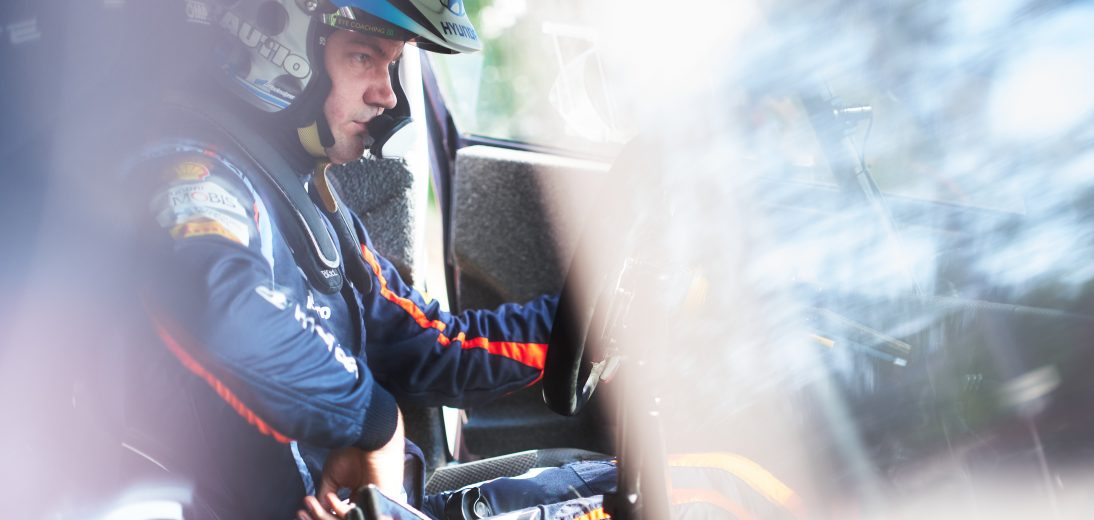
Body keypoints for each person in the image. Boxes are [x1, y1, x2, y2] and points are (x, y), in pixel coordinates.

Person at [112, 1, 612, 518]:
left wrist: (593, 327)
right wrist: (374, 422)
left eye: (391, 64)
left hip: (385, 504)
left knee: (618, 482)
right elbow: (226, 311)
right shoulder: (186, 174)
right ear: (277, 45)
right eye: (362, 58)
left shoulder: (309, 200)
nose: (387, 95)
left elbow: (435, 344)